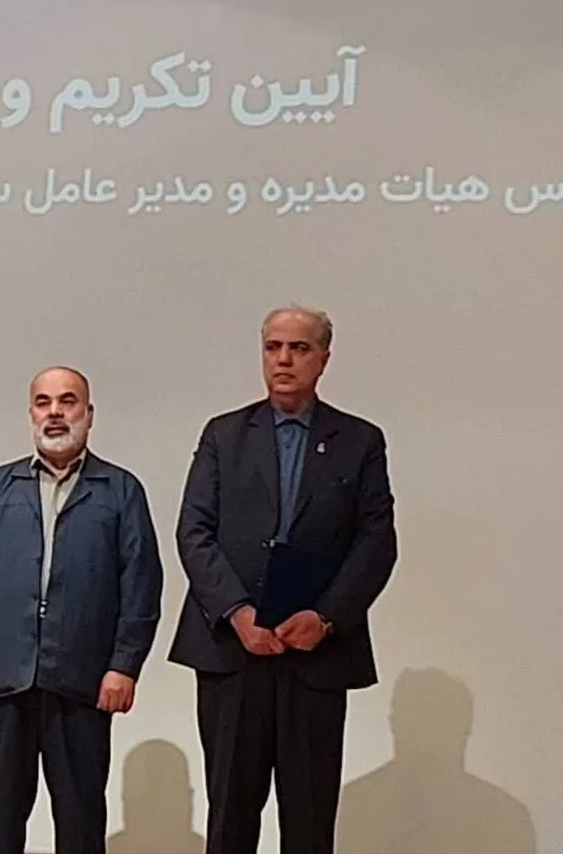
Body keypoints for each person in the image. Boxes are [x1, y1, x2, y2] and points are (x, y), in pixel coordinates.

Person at [167, 306, 398, 854]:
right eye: (273, 348)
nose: (284, 360)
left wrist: (327, 618)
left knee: (309, 820)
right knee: (230, 815)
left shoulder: (359, 440)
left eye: (299, 348)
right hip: (233, 652)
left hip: (315, 656)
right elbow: (194, 531)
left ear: (323, 359)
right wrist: (237, 612)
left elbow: (376, 542)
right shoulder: (224, 434)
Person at [0, 366, 164, 854]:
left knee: (81, 822)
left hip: (82, 682)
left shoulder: (120, 490)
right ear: (31, 414)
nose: (55, 413)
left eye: (68, 401)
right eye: (43, 403)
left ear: (89, 413)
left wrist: (124, 665)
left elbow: (142, 587)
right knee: (0, 821)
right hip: (3, 681)